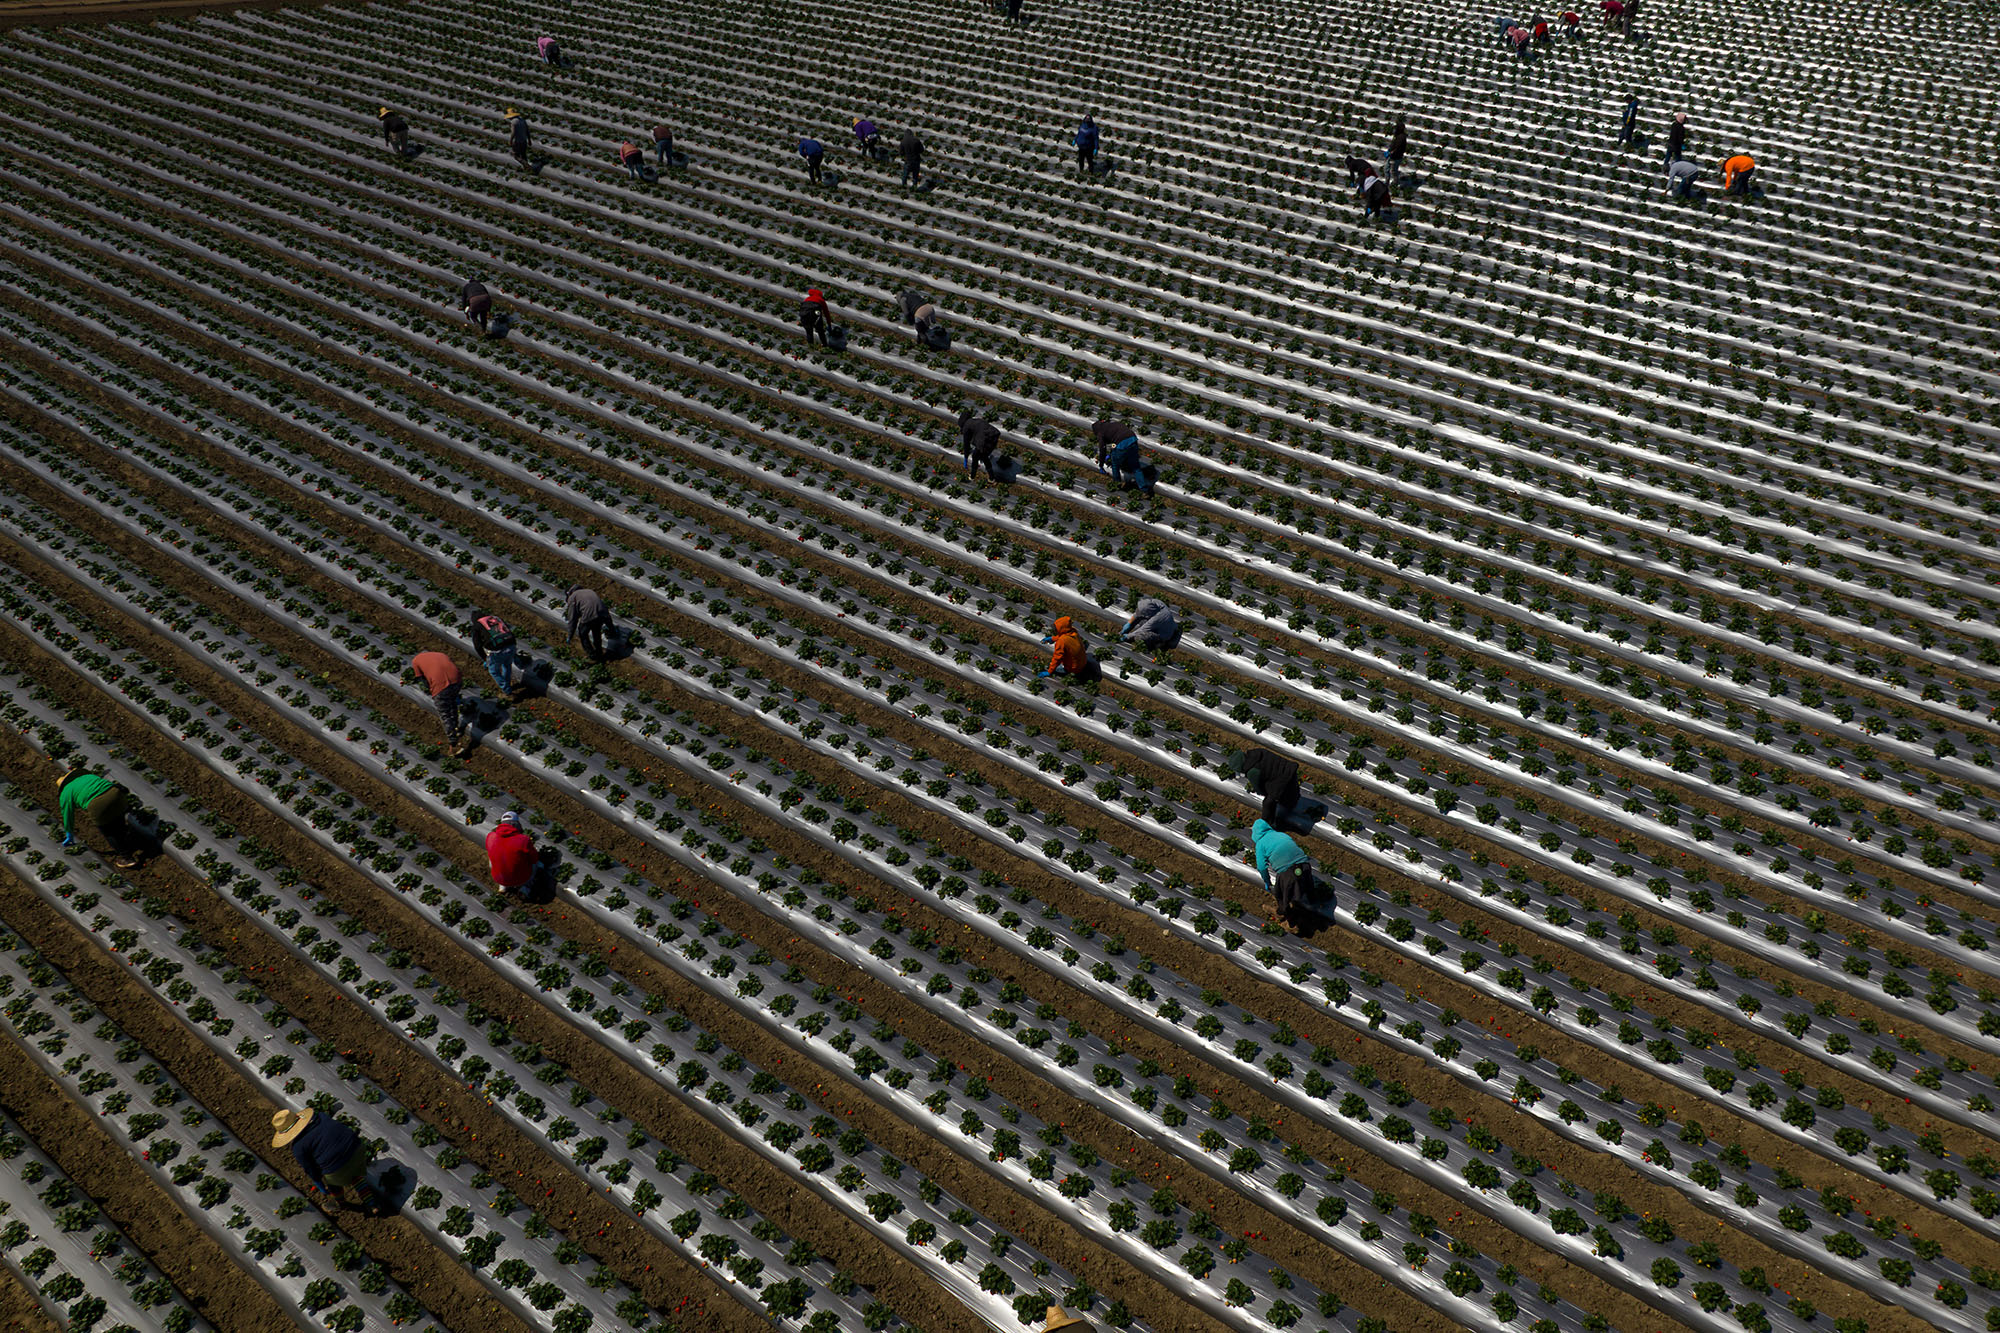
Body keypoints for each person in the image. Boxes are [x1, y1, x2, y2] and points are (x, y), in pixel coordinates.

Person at [272, 1108, 375, 1211]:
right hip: (358, 1149)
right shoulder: (322, 1117)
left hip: (337, 1168)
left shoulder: (298, 1147)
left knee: (333, 1182)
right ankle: (372, 1203)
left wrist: (319, 1183)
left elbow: (310, 1168)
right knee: (354, 1174)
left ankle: (340, 1203)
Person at [55, 762, 146, 869]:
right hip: (115, 793)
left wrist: (69, 834)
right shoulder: (87, 776)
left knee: (109, 832)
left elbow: (68, 815)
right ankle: (132, 841)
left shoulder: (66, 792)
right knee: (118, 819)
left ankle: (126, 857)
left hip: (97, 804)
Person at [1253, 819, 1322, 920]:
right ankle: (1314, 904)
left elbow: (1262, 867)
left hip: (1287, 872)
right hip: (1304, 865)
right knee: (1308, 885)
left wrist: (1267, 881)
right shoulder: (1281, 834)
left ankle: (1285, 914)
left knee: (1280, 893)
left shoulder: (1260, 844)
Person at [1226, 747, 1307, 826]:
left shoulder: (1252, 772)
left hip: (1281, 780)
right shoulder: (1257, 751)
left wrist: (1269, 793)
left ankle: (1268, 824)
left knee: (1268, 803)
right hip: (1289, 768)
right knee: (1292, 790)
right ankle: (1293, 801)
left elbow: (1259, 789)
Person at [409, 651, 470, 755]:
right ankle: (456, 727)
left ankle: (453, 744)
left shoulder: (415, 661)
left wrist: (431, 690)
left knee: (444, 714)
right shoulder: (440, 654)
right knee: (452, 703)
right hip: (457, 680)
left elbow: (422, 680)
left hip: (441, 686)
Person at [486, 812, 550, 898]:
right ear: (516, 824)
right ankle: (525, 888)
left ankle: (503, 886)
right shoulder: (523, 840)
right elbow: (534, 858)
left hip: (498, 878)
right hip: (521, 879)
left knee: (494, 857)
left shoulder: (491, 836)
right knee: (536, 865)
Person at [470, 611, 525, 698]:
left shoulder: (477, 626)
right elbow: (507, 631)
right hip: (511, 645)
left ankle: (507, 691)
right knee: (506, 665)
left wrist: (485, 658)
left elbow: (477, 645)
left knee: (494, 671)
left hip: (498, 651)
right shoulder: (495, 618)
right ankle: (507, 686)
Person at [1092, 419, 1146, 490]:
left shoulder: (1100, 433)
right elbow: (1113, 443)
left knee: (1115, 465)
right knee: (1136, 467)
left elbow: (1102, 450)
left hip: (1122, 444)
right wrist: (1111, 451)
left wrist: (1101, 465)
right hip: (1133, 440)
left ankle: (1117, 484)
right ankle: (1145, 489)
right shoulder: (1115, 424)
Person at [565, 586, 612, 659]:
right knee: (596, 632)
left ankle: (592, 655)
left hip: (589, 614)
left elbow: (572, 619)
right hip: (601, 613)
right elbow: (600, 605)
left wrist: (570, 635)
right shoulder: (589, 590)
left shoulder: (573, 597)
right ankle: (599, 652)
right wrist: (611, 627)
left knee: (583, 634)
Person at [959, 409, 1001, 478]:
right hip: (994, 435)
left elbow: (966, 443)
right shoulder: (975, 421)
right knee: (984, 456)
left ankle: (972, 476)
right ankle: (991, 477)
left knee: (975, 456)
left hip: (984, 439)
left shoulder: (966, 426)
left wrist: (966, 457)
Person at [1385, 117, 1407, 183]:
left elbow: (1398, 147)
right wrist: (1389, 150)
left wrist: (1391, 152)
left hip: (1396, 156)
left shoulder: (1402, 137)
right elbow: (1393, 144)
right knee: (1386, 168)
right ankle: (1387, 181)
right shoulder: (1397, 135)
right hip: (1392, 155)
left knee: (1394, 170)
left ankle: (1395, 181)